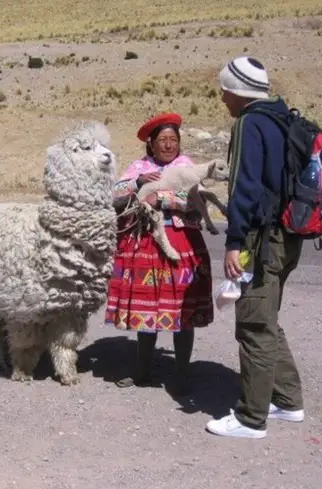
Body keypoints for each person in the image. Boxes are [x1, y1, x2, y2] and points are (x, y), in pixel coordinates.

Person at [205, 56, 305, 439]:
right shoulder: (284, 118)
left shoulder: (250, 123)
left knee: (252, 324)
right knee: (267, 320)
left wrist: (234, 244)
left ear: (238, 91)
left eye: (225, 90)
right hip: (289, 237)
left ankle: (250, 418)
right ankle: (288, 401)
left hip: (261, 241)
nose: (222, 97)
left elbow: (244, 188)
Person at [104, 112, 214, 396]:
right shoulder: (139, 167)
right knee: (146, 309)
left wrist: (161, 197)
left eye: (173, 140)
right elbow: (114, 195)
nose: (168, 145)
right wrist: (139, 184)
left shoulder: (186, 166)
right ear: (151, 144)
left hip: (181, 243)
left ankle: (181, 373)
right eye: (162, 140)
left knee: (182, 310)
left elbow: (197, 200)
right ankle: (142, 371)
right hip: (144, 245)